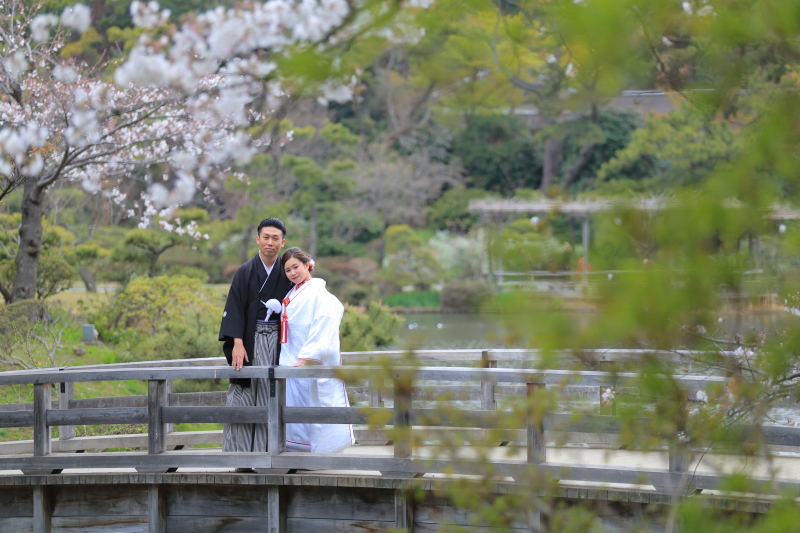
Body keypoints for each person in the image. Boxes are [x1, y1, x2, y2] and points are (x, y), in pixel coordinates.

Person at [218, 218, 293, 461]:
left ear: (283, 242)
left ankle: (271, 453)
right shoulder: (245, 271)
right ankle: (239, 456)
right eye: (266, 237)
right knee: (244, 393)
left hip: (280, 343)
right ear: (258, 239)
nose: (270, 242)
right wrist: (237, 342)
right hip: (249, 341)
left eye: (275, 238)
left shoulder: (287, 272)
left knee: (273, 393)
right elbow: (235, 307)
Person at [273, 247, 354, 454]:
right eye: (288, 270)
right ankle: (296, 449)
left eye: (296, 267)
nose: (293, 273)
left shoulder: (319, 293)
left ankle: (318, 450)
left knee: (314, 400)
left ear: (308, 265)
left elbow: (325, 320)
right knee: (294, 401)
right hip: (291, 355)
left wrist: (310, 354)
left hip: (307, 357)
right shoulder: (293, 292)